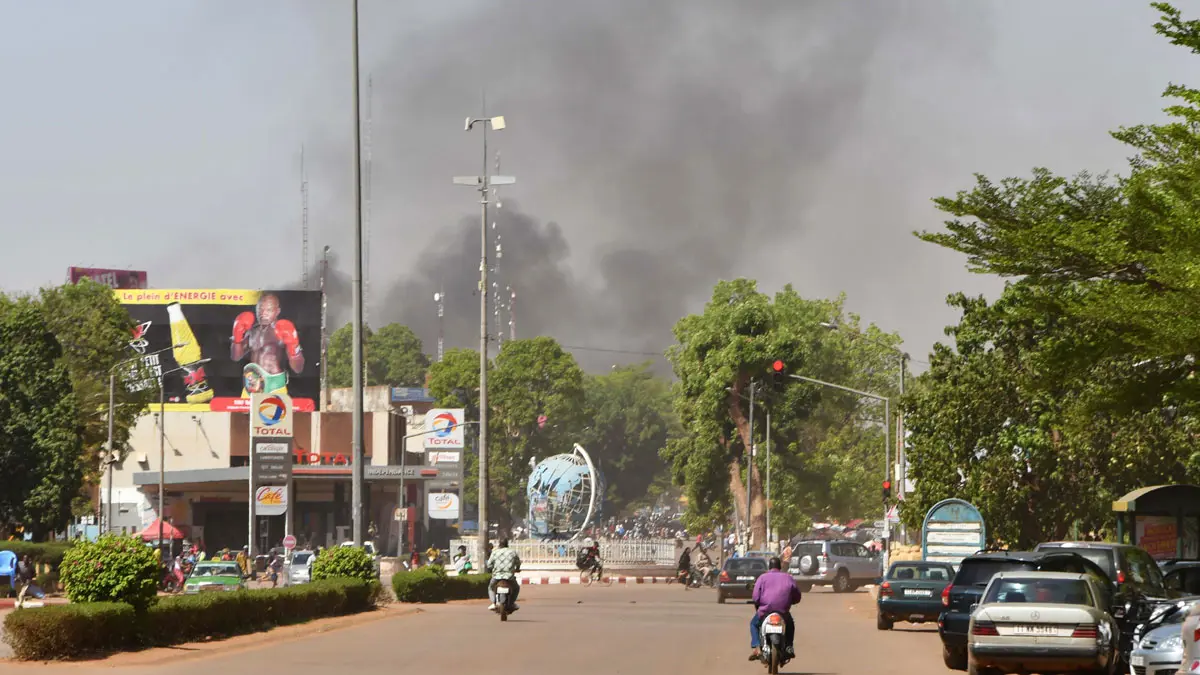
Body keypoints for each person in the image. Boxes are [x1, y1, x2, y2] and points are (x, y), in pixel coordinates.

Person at [230, 293, 305, 396]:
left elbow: (298, 368)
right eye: (260, 309)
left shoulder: (283, 331)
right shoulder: (252, 331)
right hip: (251, 387)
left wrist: (294, 348)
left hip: (274, 388)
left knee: (273, 412)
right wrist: (236, 337)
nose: (263, 313)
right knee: (239, 412)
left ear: (277, 311)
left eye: (269, 310)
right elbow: (236, 357)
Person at [749, 557, 801, 661]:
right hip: (783, 611)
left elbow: (755, 597)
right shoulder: (788, 577)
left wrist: (758, 602)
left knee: (753, 624)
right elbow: (797, 595)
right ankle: (789, 647)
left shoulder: (762, 578)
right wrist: (792, 601)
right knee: (790, 624)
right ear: (780, 567)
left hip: (765, 611)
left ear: (769, 567)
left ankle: (757, 647)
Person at [486, 539, 522, 612]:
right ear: (507, 544)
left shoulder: (495, 552)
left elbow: (489, 564)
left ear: (499, 544)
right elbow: (518, 563)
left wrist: (491, 569)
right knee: (516, 588)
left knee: (491, 587)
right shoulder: (512, 552)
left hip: (496, 576)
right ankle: (512, 603)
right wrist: (517, 569)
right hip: (509, 576)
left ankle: (493, 603)